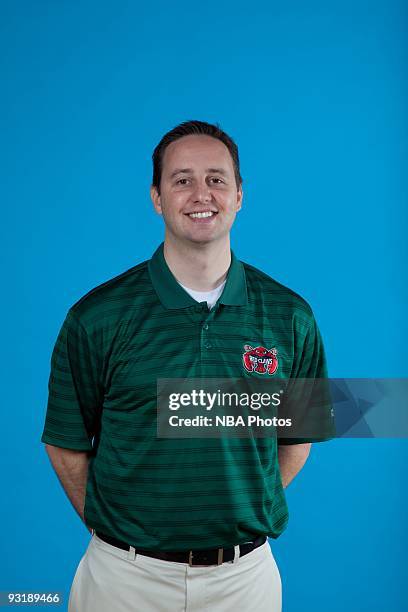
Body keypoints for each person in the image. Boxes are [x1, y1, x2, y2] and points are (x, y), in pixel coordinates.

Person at [41, 120, 334, 612]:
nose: (202, 194)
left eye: (217, 179)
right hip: (122, 581)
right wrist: (120, 534)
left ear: (239, 195)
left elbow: (298, 437)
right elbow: (66, 444)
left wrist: (243, 505)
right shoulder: (96, 317)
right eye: (182, 180)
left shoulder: (291, 316)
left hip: (245, 582)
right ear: (156, 197)